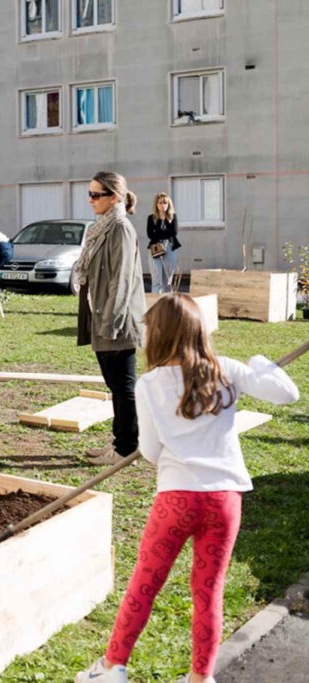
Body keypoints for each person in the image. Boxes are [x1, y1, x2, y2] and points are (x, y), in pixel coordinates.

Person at [76, 294, 299, 683]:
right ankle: (201, 678)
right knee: (208, 592)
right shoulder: (226, 370)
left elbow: (149, 452)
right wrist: (259, 365)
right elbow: (288, 394)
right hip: (224, 500)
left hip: (176, 500)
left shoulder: (149, 384)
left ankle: (112, 669)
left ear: (160, 335)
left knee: (145, 583)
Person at [74, 171, 147, 465]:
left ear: (113, 197)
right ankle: (125, 443)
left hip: (118, 321)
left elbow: (123, 279)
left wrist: (111, 323)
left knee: (123, 386)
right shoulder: (101, 227)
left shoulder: (120, 228)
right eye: (89, 194)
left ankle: (126, 448)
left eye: (96, 195)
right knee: (116, 385)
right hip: (103, 316)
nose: (90, 200)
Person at [147, 193, 181, 294]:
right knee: (157, 281)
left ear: (169, 204)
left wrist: (159, 233)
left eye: (165, 203)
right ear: (156, 205)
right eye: (160, 203)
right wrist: (164, 234)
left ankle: (167, 306)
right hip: (155, 248)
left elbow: (174, 232)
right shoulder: (151, 218)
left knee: (167, 281)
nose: (163, 205)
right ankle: (156, 304)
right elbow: (150, 234)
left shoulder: (173, 217)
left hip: (170, 247)